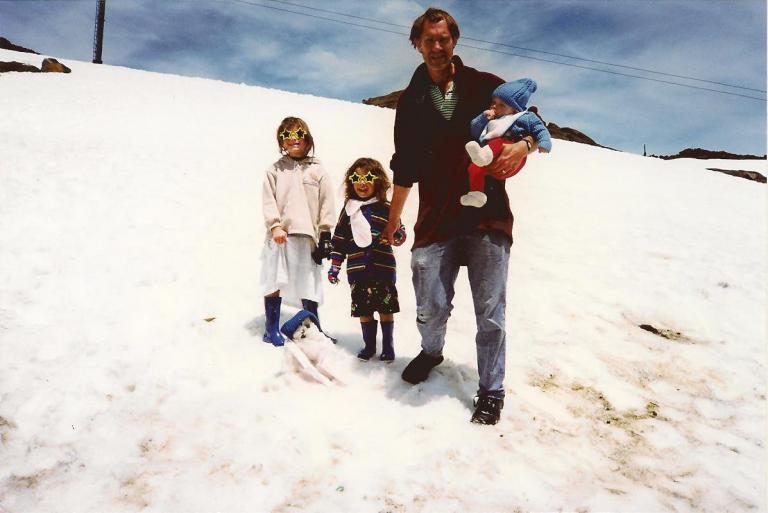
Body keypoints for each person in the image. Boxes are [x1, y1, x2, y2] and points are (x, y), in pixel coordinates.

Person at [382, 7, 538, 425]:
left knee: (490, 312)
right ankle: (431, 351)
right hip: (435, 219)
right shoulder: (410, 102)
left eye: (443, 39)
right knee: (429, 304)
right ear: (416, 44)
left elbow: (531, 117)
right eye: (428, 40)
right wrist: (394, 221)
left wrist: (524, 146)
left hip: (488, 217)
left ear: (454, 41)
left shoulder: (486, 86)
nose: (437, 47)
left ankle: (492, 390)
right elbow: (404, 165)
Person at [259, 116, 336, 346]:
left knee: (309, 284)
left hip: (307, 235)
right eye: (287, 136)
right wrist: (275, 225)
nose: (294, 140)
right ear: (281, 142)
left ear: (308, 140)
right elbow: (268, 200)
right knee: (275, 281)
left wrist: (324, 233)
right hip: (281, 235)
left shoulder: (318, 171)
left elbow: (326, 203)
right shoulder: (275, 170)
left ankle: (314, 327)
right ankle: (271, 329)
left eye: (299, 135)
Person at [327, 158, 406, 362]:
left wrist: (396, 235)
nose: (362, 183)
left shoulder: (387, 208)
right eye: (356, 178)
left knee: (386, 308)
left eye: (368, 178)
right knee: (364, 309)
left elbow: (400, 233)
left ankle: (388, 346)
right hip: (357, 270)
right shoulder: (348, 210)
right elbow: (339, 240)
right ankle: (369, 345)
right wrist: (335, 266)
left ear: (378, 181)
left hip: (383, 268)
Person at [461, 78, 552, 208]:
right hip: (491, 161)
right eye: (493, 102)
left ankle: (483, 156)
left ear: (515, 109)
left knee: (498, 141)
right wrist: (483, 119)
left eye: (501, 104)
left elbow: (540, 129)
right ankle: (476, 195)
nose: (494, 106)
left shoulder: (525, 117)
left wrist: (544, 142)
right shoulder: (492, 119)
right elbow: (475, 131)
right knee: (474, 168)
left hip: (512, 160)